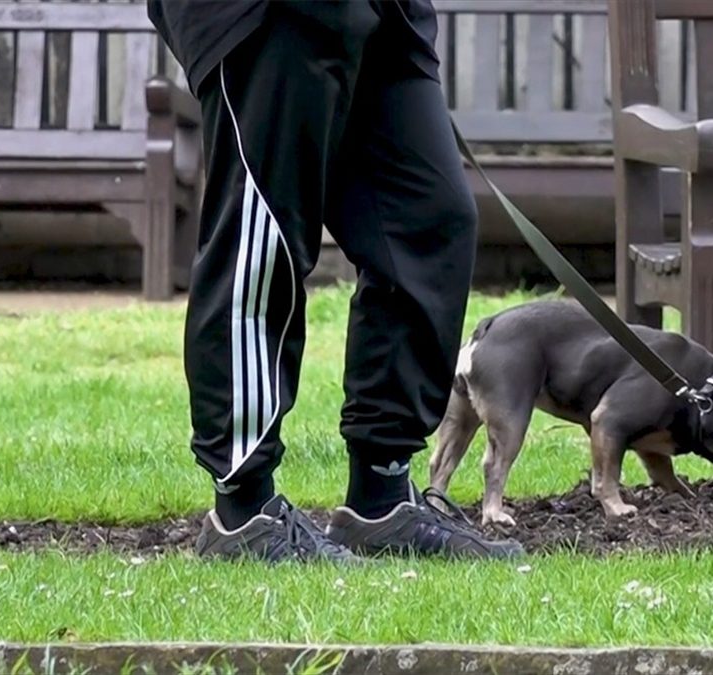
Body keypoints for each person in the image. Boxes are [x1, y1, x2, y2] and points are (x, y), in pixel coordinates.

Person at [147, 0, 523, 562]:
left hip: (381, 10)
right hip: (263, 12)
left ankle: (381, 498)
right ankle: (242, 513)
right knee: (263, 239)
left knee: (428, 217)